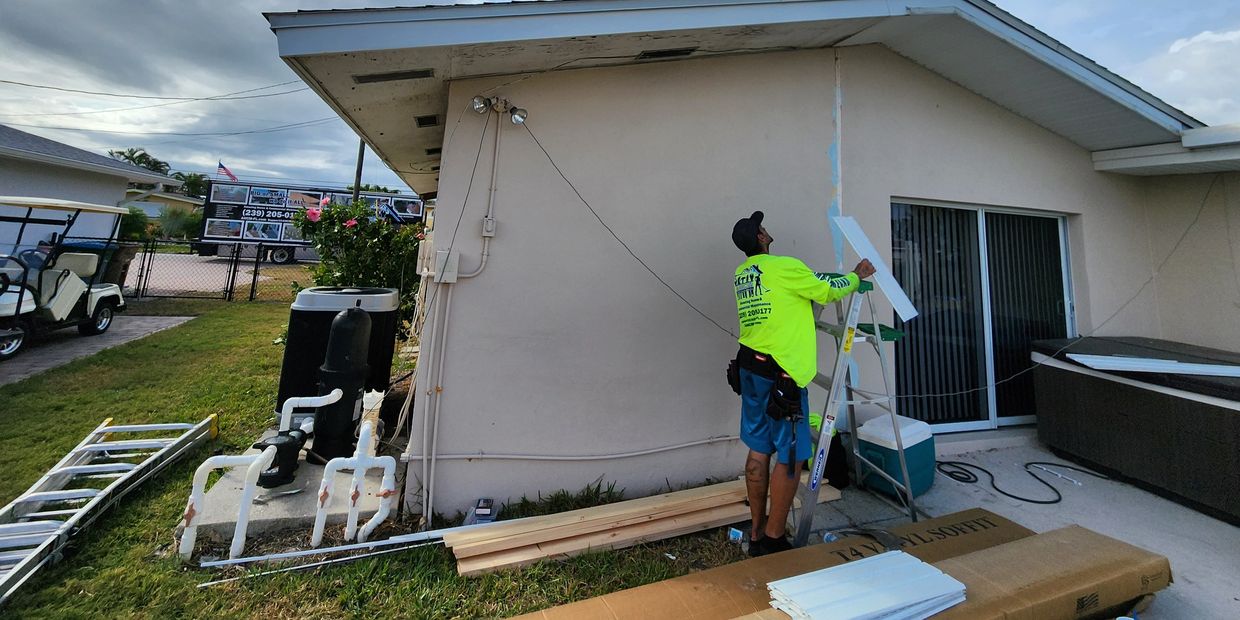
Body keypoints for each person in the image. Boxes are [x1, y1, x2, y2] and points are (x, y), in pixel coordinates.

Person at [729, 210, 875, 556]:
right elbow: (826, 291)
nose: (766, 229)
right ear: (761, 239)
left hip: (750, 367)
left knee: (758, 447)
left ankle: (755, 531)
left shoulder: (741, 274)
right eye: (762, 228)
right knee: (791, 457)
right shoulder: (784, 266)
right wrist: (855, 275)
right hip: (782, 375)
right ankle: (775, 540)